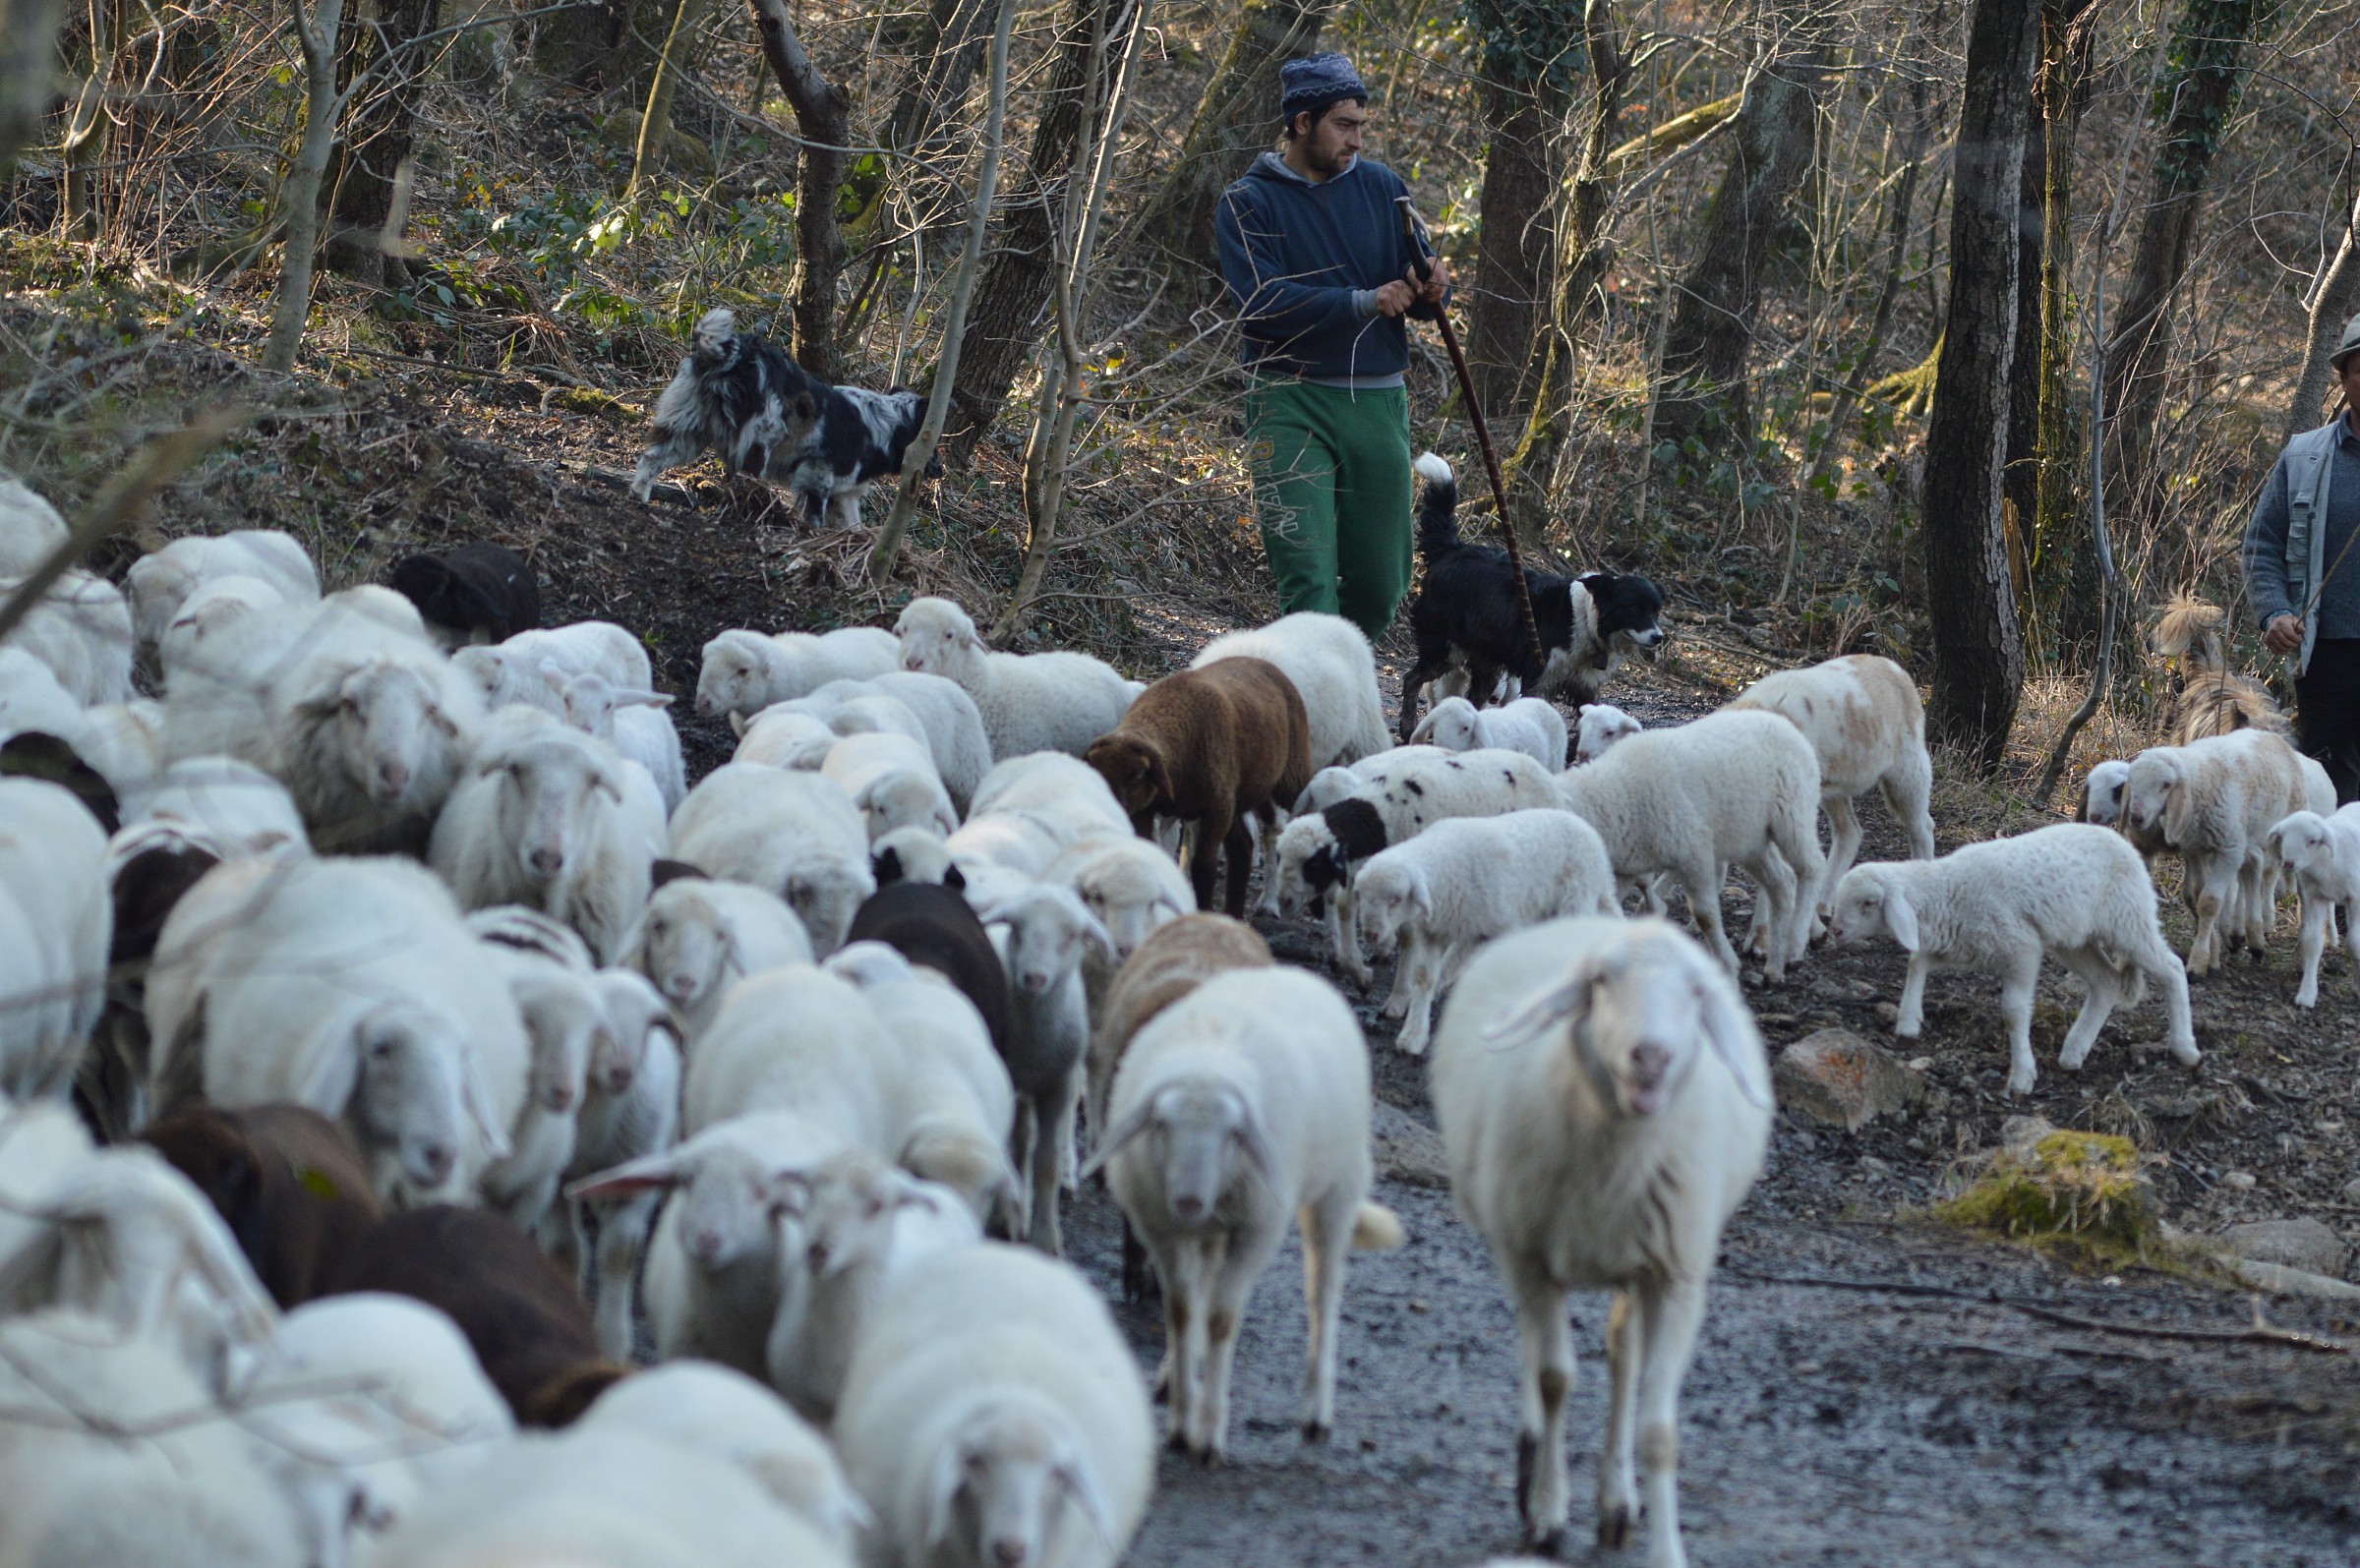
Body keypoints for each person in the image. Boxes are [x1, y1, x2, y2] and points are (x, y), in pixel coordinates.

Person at [1213, 52, 1452, 642]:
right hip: (1287, 398)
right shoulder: (1247, 202)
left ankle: (1340, 673)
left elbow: (1418, 290)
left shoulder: (1384, 190)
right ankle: (1310, 708)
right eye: (1344, 125)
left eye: (1362, 125)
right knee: (1306, 575)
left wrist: (1432, 285)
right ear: (1302, 122)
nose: (1357, 139)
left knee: (1381, 583)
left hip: (1377, 403)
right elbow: (1261, 303)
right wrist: (1361, 301)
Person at [2246, 310, 2360, 802]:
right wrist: (2275, 611)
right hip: (2325, 654)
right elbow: (2261, 544)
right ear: (2344, 376)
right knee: (2323, 786)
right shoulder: (2305, 456)